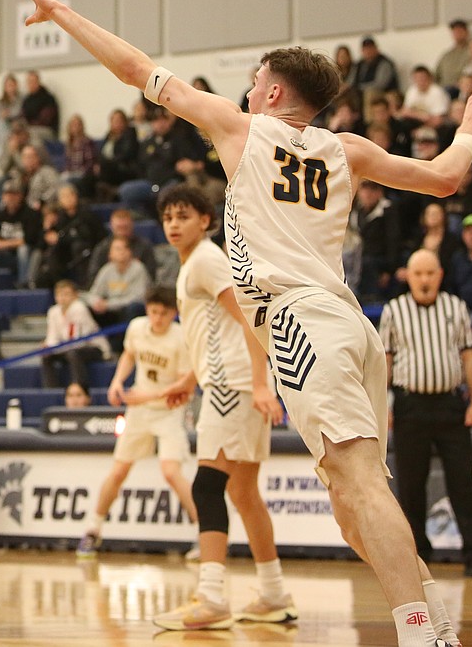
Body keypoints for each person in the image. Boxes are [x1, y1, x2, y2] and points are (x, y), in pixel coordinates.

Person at [13, 0, 472, 646]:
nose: (244, 91)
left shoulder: (241, 128)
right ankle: (438, 627)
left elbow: (136, 70)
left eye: (252, 84)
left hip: (301, 321)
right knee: (355, 507)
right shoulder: (348, 148)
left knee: (359, 488)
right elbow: (448, 179)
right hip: (351, 326)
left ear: (271, 92)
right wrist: (471, 125)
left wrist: (61, 14)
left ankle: (421, 635)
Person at [153, 185, 294, 631]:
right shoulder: (195, 264)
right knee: (243, 492)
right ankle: (274, 595)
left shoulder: (208, 260)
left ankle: (211, 597)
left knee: (208, 487)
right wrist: (189, 378)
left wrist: (258, 383)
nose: (174, 224)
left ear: (206, 220)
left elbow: (253, 319)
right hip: (228, 384)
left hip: (233, 388)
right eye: (168, 217)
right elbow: (214, 331)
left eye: (184, 216)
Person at [380, 250, 472, 578]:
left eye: (430, 273)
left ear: (440, 275)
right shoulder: (393, 310)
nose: (425, 280)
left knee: (463, 484)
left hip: (450, 406)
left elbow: (469, 357)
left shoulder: (455, 307)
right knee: (411, 488)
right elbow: (385, 361)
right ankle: (418, 559)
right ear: (409, 277)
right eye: (418, 274)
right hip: (410, 407)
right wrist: (382, 404)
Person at [76, 286, 198, 558]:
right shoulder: (136, 328)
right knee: (118, 471)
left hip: (169, 410)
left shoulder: (181, 338)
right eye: (153, 312)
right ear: (147, 310)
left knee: (171, 472)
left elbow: (184, 388)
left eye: (163, 314)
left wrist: (146, 396)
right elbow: (129, 355)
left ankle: (203, 533)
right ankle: (92, 530)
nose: (157, 318)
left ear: (174, 314)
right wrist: (117, 381)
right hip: (140, 411)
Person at [40, 280, 110, 389]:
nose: (62, 298)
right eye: (59, 294)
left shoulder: (79, 308)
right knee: (47, 356)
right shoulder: (53, 311)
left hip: (93, 348)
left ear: (75, 296)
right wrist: (49, 347)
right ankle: (51, 389)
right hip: (67, 348)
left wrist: (57, 348)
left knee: (73, 354)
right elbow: (52, 336)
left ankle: (81, 387)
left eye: (66, 294)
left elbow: (78, 341)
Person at [0, 179, 42, 289]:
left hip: (27, 256)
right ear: (3, 197)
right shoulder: (0, 215)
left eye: (14, 195)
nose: (10, 198)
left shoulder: (30, 213)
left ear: (20, 196)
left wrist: (3, 244)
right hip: (7, 255)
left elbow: (29, 240)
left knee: (23, 249)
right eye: (7, 195)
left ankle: (23, 285)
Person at [87, 208, 158, 282]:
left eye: (125, 228)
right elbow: (93, 276)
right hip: (109, 289)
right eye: (119, 228)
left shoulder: (144, 246)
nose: (122, 232)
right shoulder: (102, 248)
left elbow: (151, 275)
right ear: (112, 227)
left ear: (132, 226)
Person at [435, 19, 472, 90]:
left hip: (462, 88)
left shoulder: (471, 52)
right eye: (455, 32)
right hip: (444, 89)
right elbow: (436, 74)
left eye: (460, 31)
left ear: (466, 32)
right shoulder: (447, 55)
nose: (457, 34)